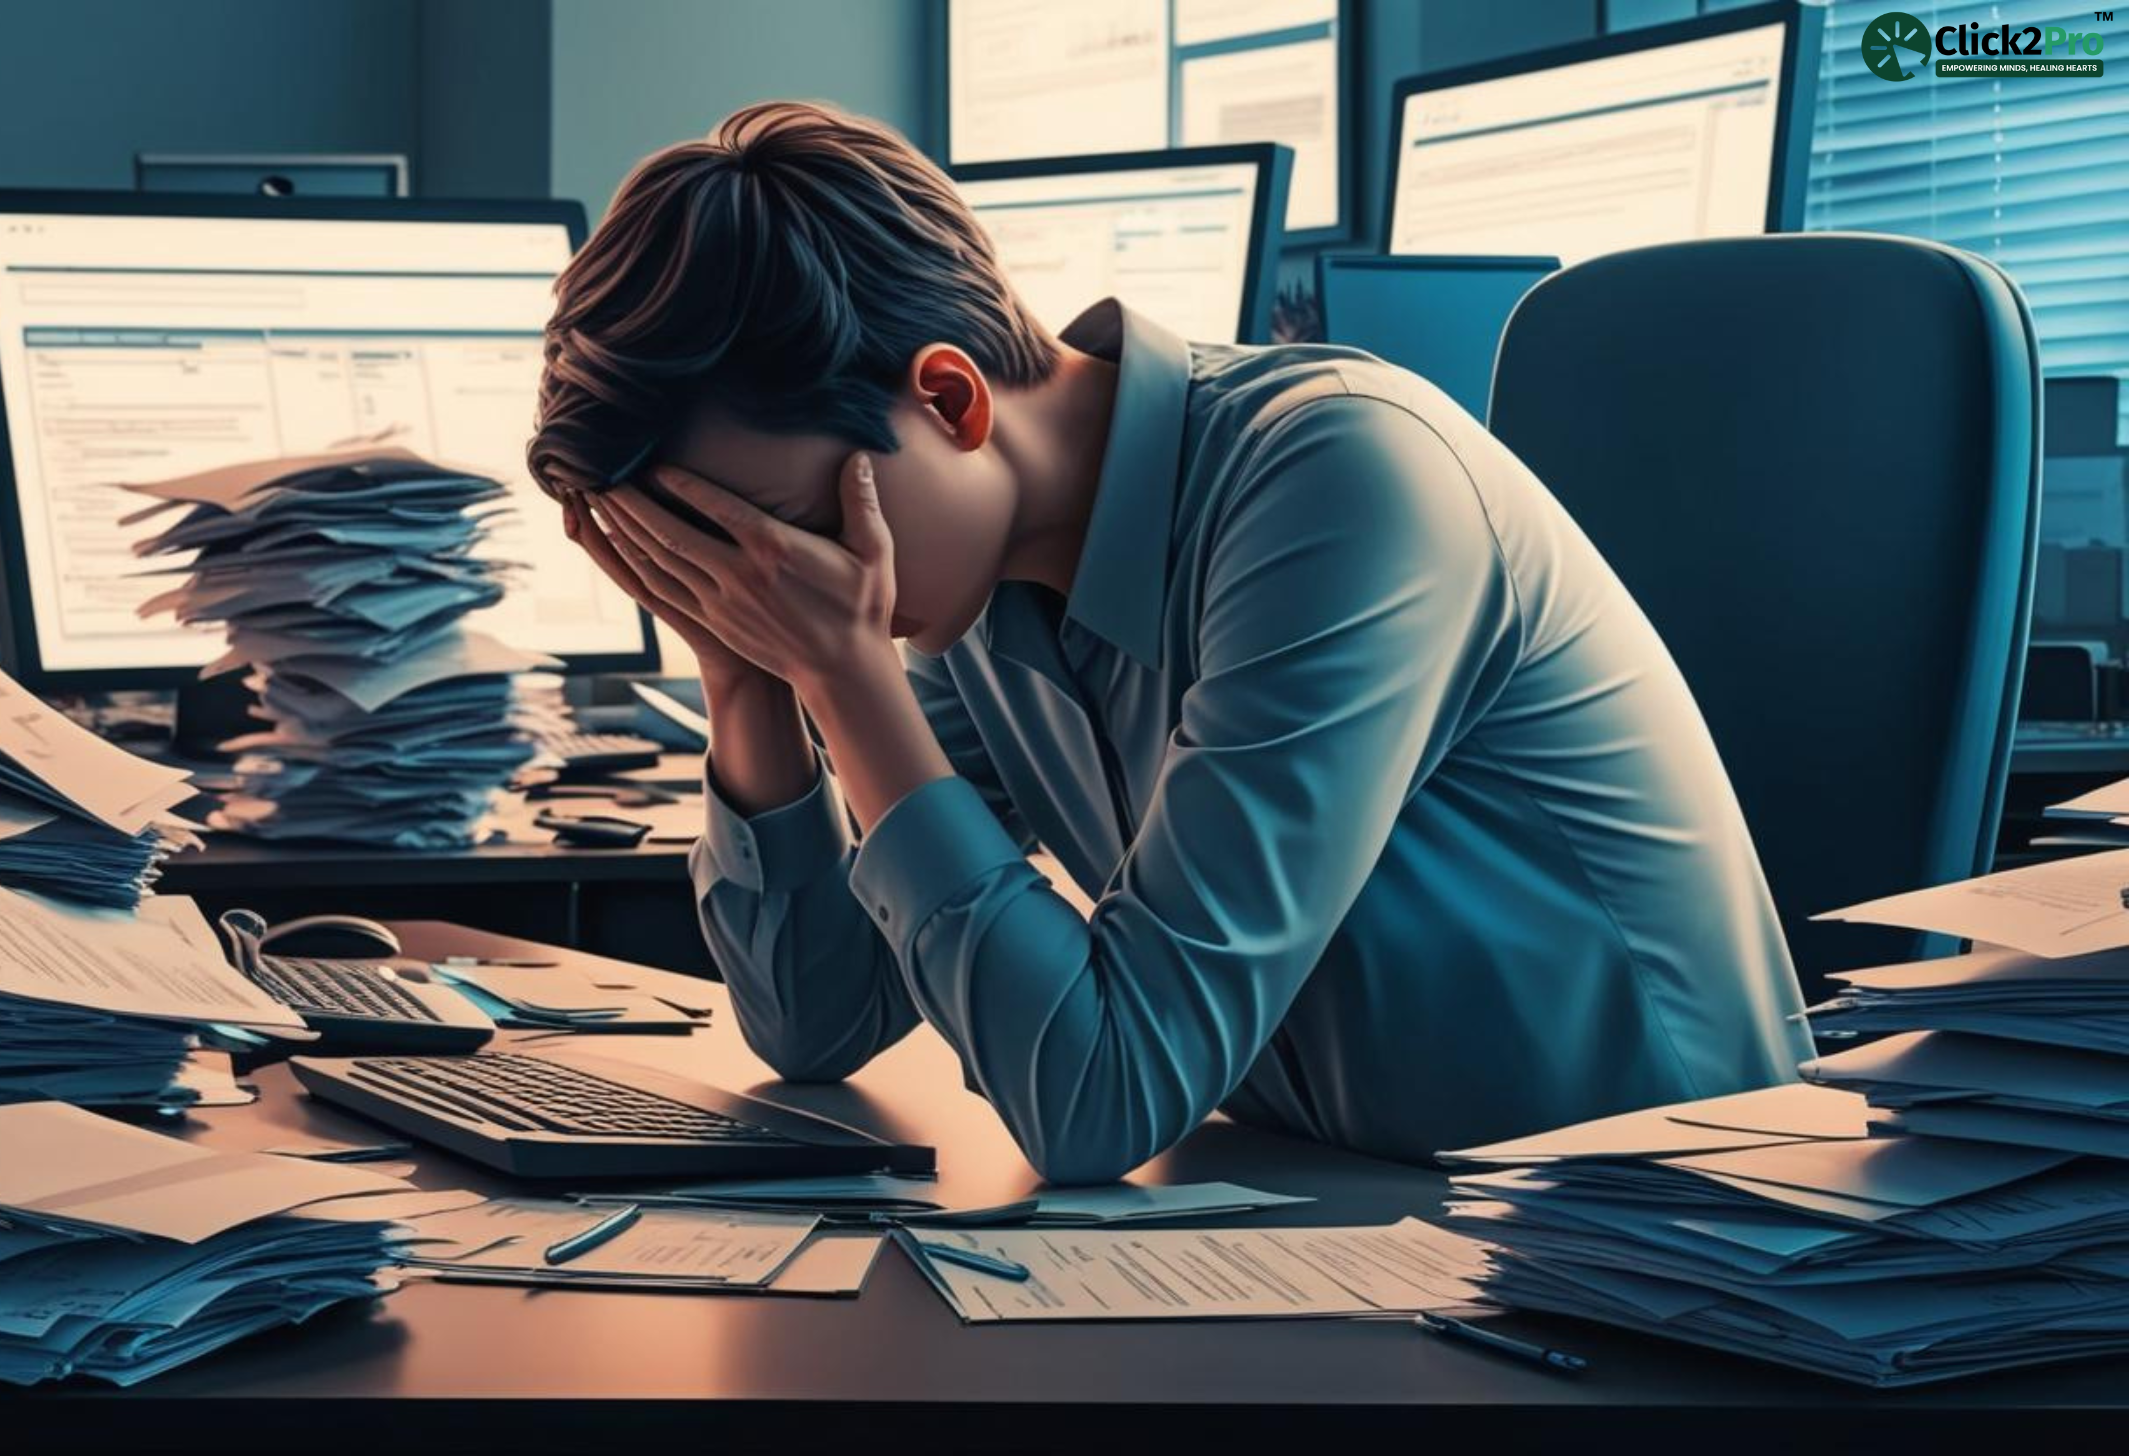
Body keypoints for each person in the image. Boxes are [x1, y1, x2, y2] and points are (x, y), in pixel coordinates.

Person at [526, 101, 1808, 1183]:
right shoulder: (974, 585)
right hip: (1351, 1220)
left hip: (1657, 1241)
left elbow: (1100, 1100)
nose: (780, 583)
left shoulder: (1336, 481)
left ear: (949, 398)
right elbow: (816, 1021)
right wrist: (744, 670)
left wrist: (845, 676)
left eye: (782, 531)